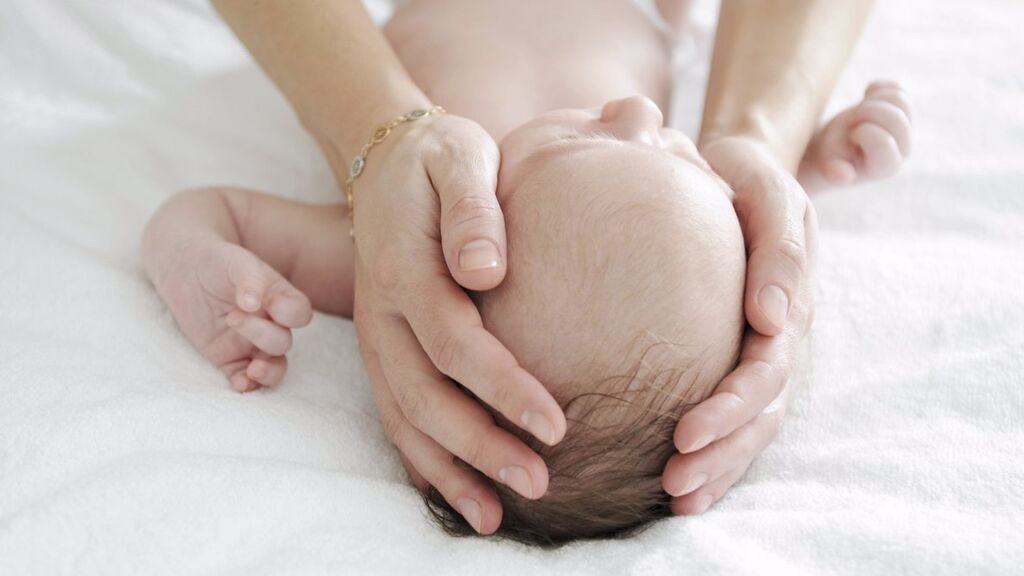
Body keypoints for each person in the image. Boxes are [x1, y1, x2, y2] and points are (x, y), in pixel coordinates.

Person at [190, 0, 896, 534]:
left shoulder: (398, 248)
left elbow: (221, 213)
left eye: (583, 141)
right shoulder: (632, 216)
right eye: (681, 156)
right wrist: (779, 153)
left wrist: (208, 272)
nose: (641, 110)